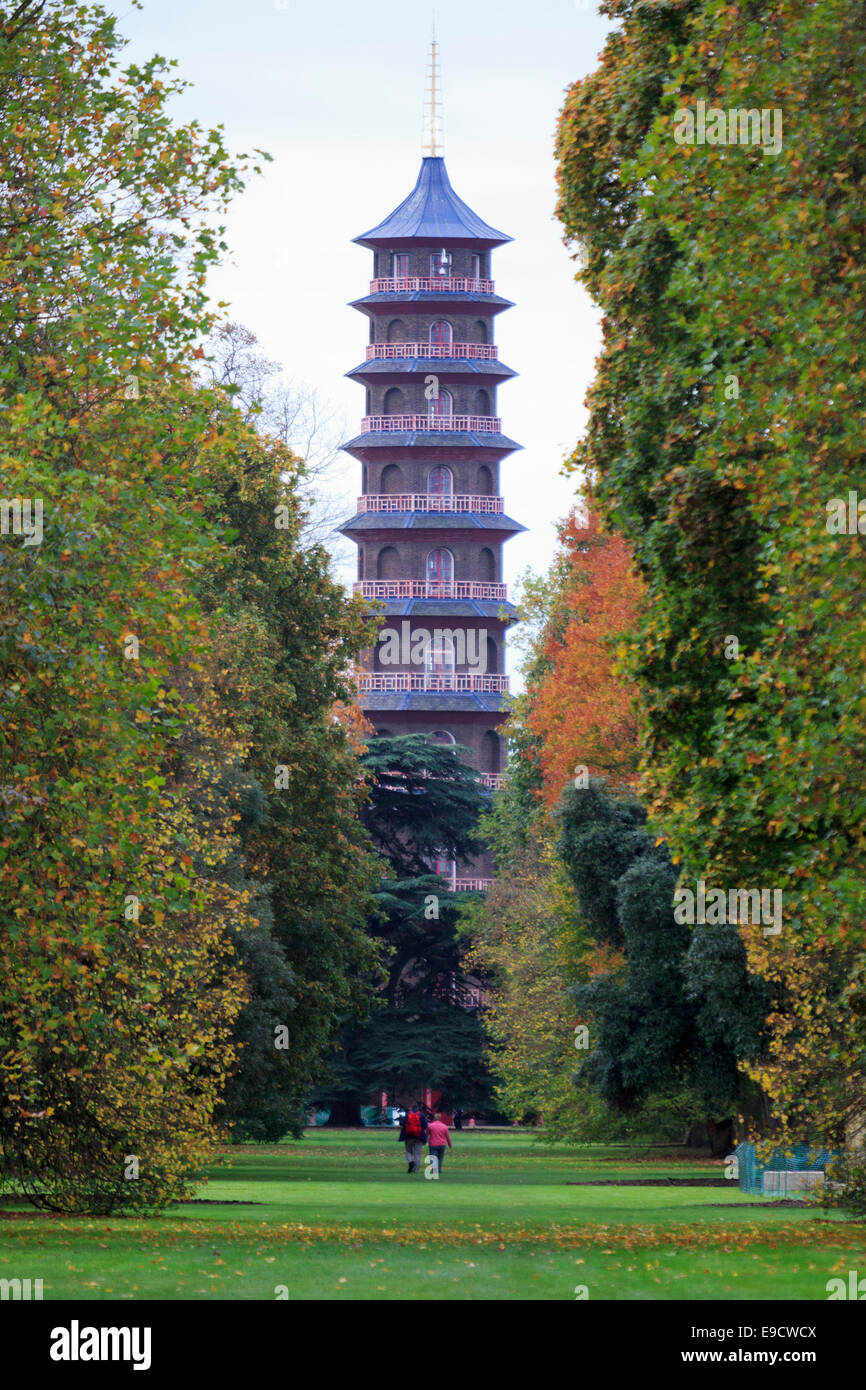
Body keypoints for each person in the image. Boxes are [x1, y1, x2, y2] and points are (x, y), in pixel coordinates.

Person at [399, 1103, 428, 1173]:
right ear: (418, 1108)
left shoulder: (408, 1114)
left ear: (411, 1108)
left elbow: (402, 1123)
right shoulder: (422, 1115)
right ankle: (416, 1170)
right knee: (417, 1154)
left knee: (408, 1151)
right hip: (419, 1137)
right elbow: (426, 1126)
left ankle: (411, 1161)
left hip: (408, 1136)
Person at [426, 1112, 452, 1177]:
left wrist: (425, 1141)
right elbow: (448, 1137)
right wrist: (450, 1144)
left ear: (434, 1118)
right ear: (440, 1118)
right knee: (440, 1158)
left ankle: (434, 1169)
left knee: (433, 1157)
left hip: (433, 1144)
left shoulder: (430, 1126)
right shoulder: (444, 1126)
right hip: (442, 1144)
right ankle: (439, 1170)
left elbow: (427, 1134)